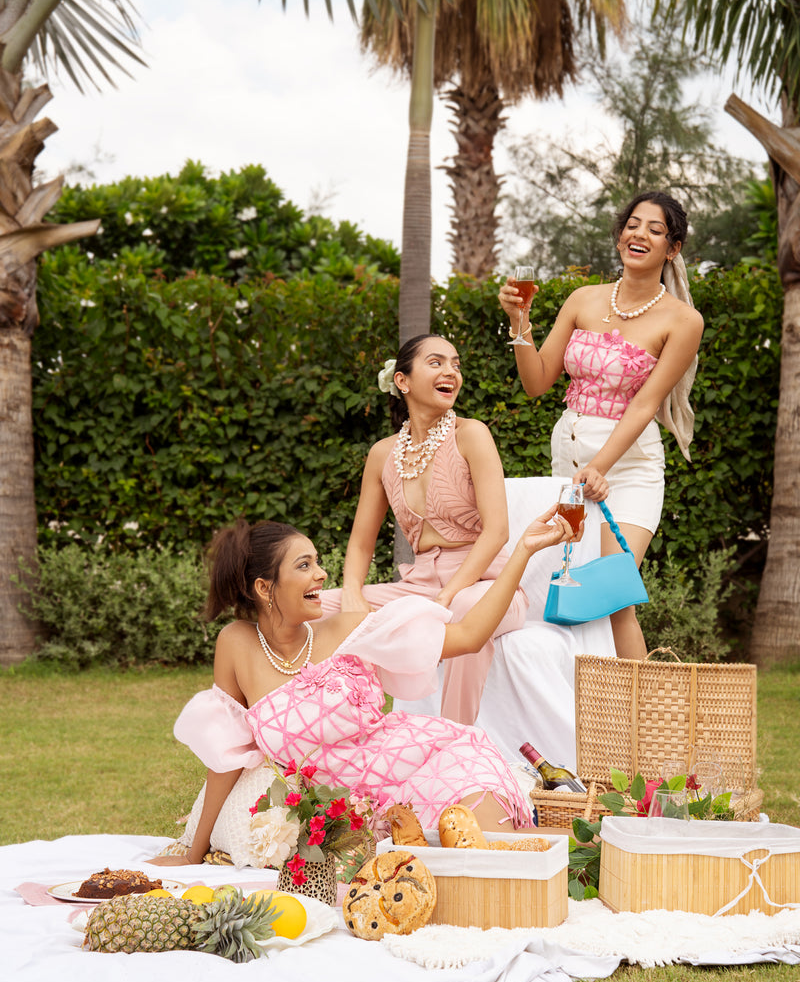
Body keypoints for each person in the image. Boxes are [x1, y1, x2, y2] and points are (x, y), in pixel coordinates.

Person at [149, 508, 577, 866]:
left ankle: (595, 847)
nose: (322, 575)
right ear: (265, 588)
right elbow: (225, 758)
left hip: (430, 760)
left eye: (317, 561)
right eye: (304, 566)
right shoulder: (236, 645)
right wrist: (193, 853)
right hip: (358, 814)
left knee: (498, 853)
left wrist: (523, 550)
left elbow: (467, 636)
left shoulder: (351, 627)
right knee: (465, 869)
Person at [499, 191, 704, 660]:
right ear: (619, 236)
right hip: (568, 465)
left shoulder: (683, 320)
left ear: (672, 249)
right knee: (566, 590)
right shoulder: (582, 299)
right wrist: (520, 321)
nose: (640, 234)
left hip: (627, 470)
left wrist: (601, 467)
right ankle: (581, 718)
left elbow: (644, 404)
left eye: (655, 230)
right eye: (633, 224)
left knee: (613, 598)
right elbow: (536, 382)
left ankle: (648, 725)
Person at [319, 333, 525, 726]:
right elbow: (362, 544)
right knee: (312, 610)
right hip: (418, 584)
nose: (451, 371)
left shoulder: (471, 434)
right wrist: (350, 593)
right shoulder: (382, 454)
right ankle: (329, 732)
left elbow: (496, 532)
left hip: (488, 584)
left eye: (456, 364)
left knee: (464, 609)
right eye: (436, 362)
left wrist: (447, 595)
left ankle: (455, 744)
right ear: (403, 381)